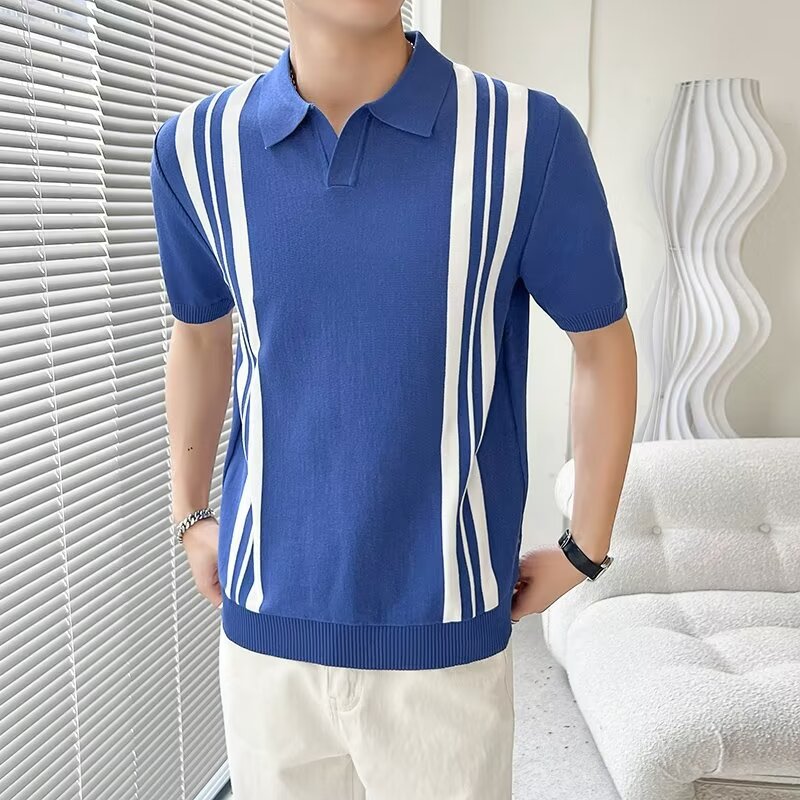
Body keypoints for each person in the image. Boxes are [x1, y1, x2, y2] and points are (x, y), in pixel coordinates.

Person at [149, 1, 637, 797]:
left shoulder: (525, 138)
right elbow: (200, 336)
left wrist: (587, 544)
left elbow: (601, 341)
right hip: (265, 634)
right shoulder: (196, 149)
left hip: (443, 636)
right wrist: (190, 512)